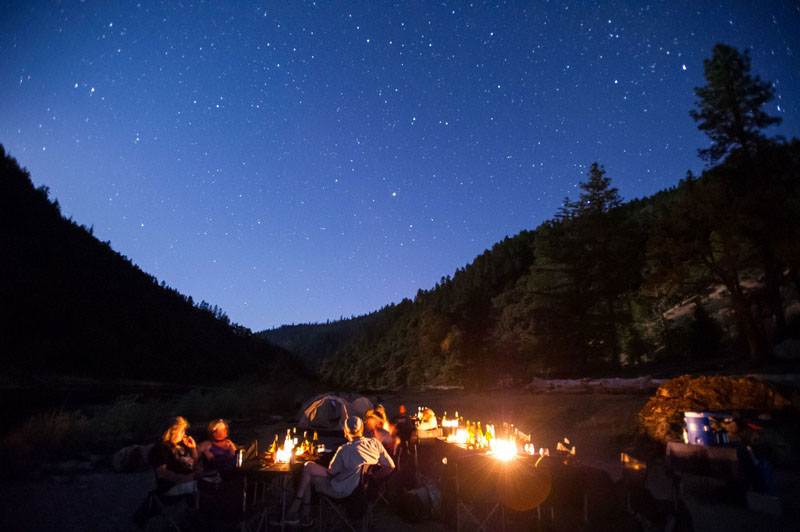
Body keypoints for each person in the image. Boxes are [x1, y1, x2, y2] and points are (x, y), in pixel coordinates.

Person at [284, 416, 394, 525]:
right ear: (362, 429)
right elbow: (390, 466)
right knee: (308, 472)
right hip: (363, 490)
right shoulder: (375, 443)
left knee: (307, 469)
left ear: (345, 432)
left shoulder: (344, 450)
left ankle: (298, 510)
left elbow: (331, 472)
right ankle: (303, 514)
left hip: (342, 491)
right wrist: (374, 478)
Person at [149, 416, 203, 495]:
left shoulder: (183, 444)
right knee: (203, 486)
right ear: (173, 431)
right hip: (172, 485)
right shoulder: (160, 448)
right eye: (182, 430)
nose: (184, 432)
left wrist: (193, 448)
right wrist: (185, 478)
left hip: (189, 481)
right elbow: (162, 473)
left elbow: (193, 465)